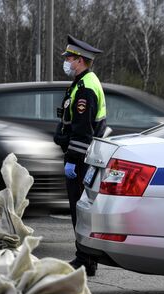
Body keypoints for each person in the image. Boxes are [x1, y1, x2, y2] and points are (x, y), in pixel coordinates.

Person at [53, 35, 107, 277]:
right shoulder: (82, 83)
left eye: (70, 58)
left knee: (79, 208)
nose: (66, 62)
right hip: (84, 155)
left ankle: (85, 258)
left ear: (81, 60)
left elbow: (82, 130)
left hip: (81, 158)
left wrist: (73, 161)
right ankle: (87, 257)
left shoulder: (85, 89)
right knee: (81, 208)